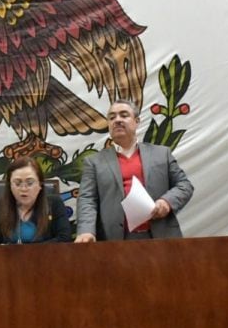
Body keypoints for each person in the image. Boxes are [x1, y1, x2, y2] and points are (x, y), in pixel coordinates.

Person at [75, 98, 193, 242]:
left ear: (137, 121)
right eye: (112, 117)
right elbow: (87, 199)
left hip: (160, 238)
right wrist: (86, 231)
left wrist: (166, 202)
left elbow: (184, 185)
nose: (117, 120)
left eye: (124, 115)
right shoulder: (94, 162)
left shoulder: (162, 154)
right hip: (115, 241)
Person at [0, 156, 72, 244]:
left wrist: (22, 253)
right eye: (17, 183)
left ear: (40, 185)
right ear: (10, 186)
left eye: (30, 183)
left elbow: (64, 239)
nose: (23, 188)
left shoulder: (54, 204)